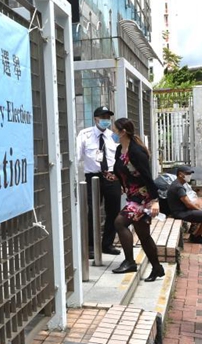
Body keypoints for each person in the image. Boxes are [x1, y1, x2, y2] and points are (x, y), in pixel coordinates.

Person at [109, 117, 165, 282]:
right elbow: (120, 170)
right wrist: (117, 180)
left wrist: (155, 200)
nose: (113, 133)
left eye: (115, 130)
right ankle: (156, 267)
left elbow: (147, 177)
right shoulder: (121, 149)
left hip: (143, 198)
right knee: (143, 235)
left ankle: (130, 262)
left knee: (120, 222)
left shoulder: (136, 151)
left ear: (123, 132)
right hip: (132, 196)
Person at [76, 105, 121, 258]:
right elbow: (77, 157)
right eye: (103, 117)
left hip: (112, 177)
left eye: (108, 118)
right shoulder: (85, 134)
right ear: (95, 119)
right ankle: (90, 246)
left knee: (113, 211)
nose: (106, 120)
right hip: (92, 177)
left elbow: (121, 156)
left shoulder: (114, 136)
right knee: (91, 211)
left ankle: (107, 244)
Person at [166, 166, 202, 244]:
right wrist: (200, 210)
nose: (189, 175)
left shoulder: (177, 184)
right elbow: (188, 204)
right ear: (180, 174)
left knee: (199, 206)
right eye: (187, 173)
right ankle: (196, 236)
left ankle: (195, 229)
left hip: (180, 210)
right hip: (180, 213)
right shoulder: (178, 187)